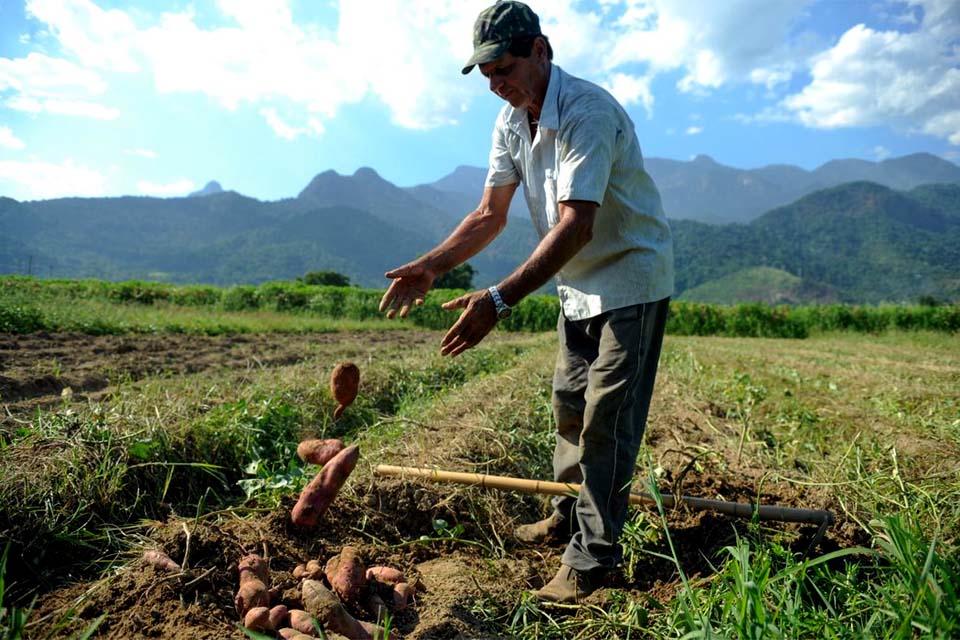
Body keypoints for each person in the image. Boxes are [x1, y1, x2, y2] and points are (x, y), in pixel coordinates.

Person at [379, 0, 674, 604]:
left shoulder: (587, 111)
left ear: (541, 50)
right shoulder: (513, 120)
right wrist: (433, 265)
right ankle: (571, 511)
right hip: (576, 285)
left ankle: (593, 557)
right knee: (569, 403)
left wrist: (497, 300)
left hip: (630, 279)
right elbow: (489, 214)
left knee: (606, 420)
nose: (495, 84)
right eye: (486, 75)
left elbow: (577, 227)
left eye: (504, 68)